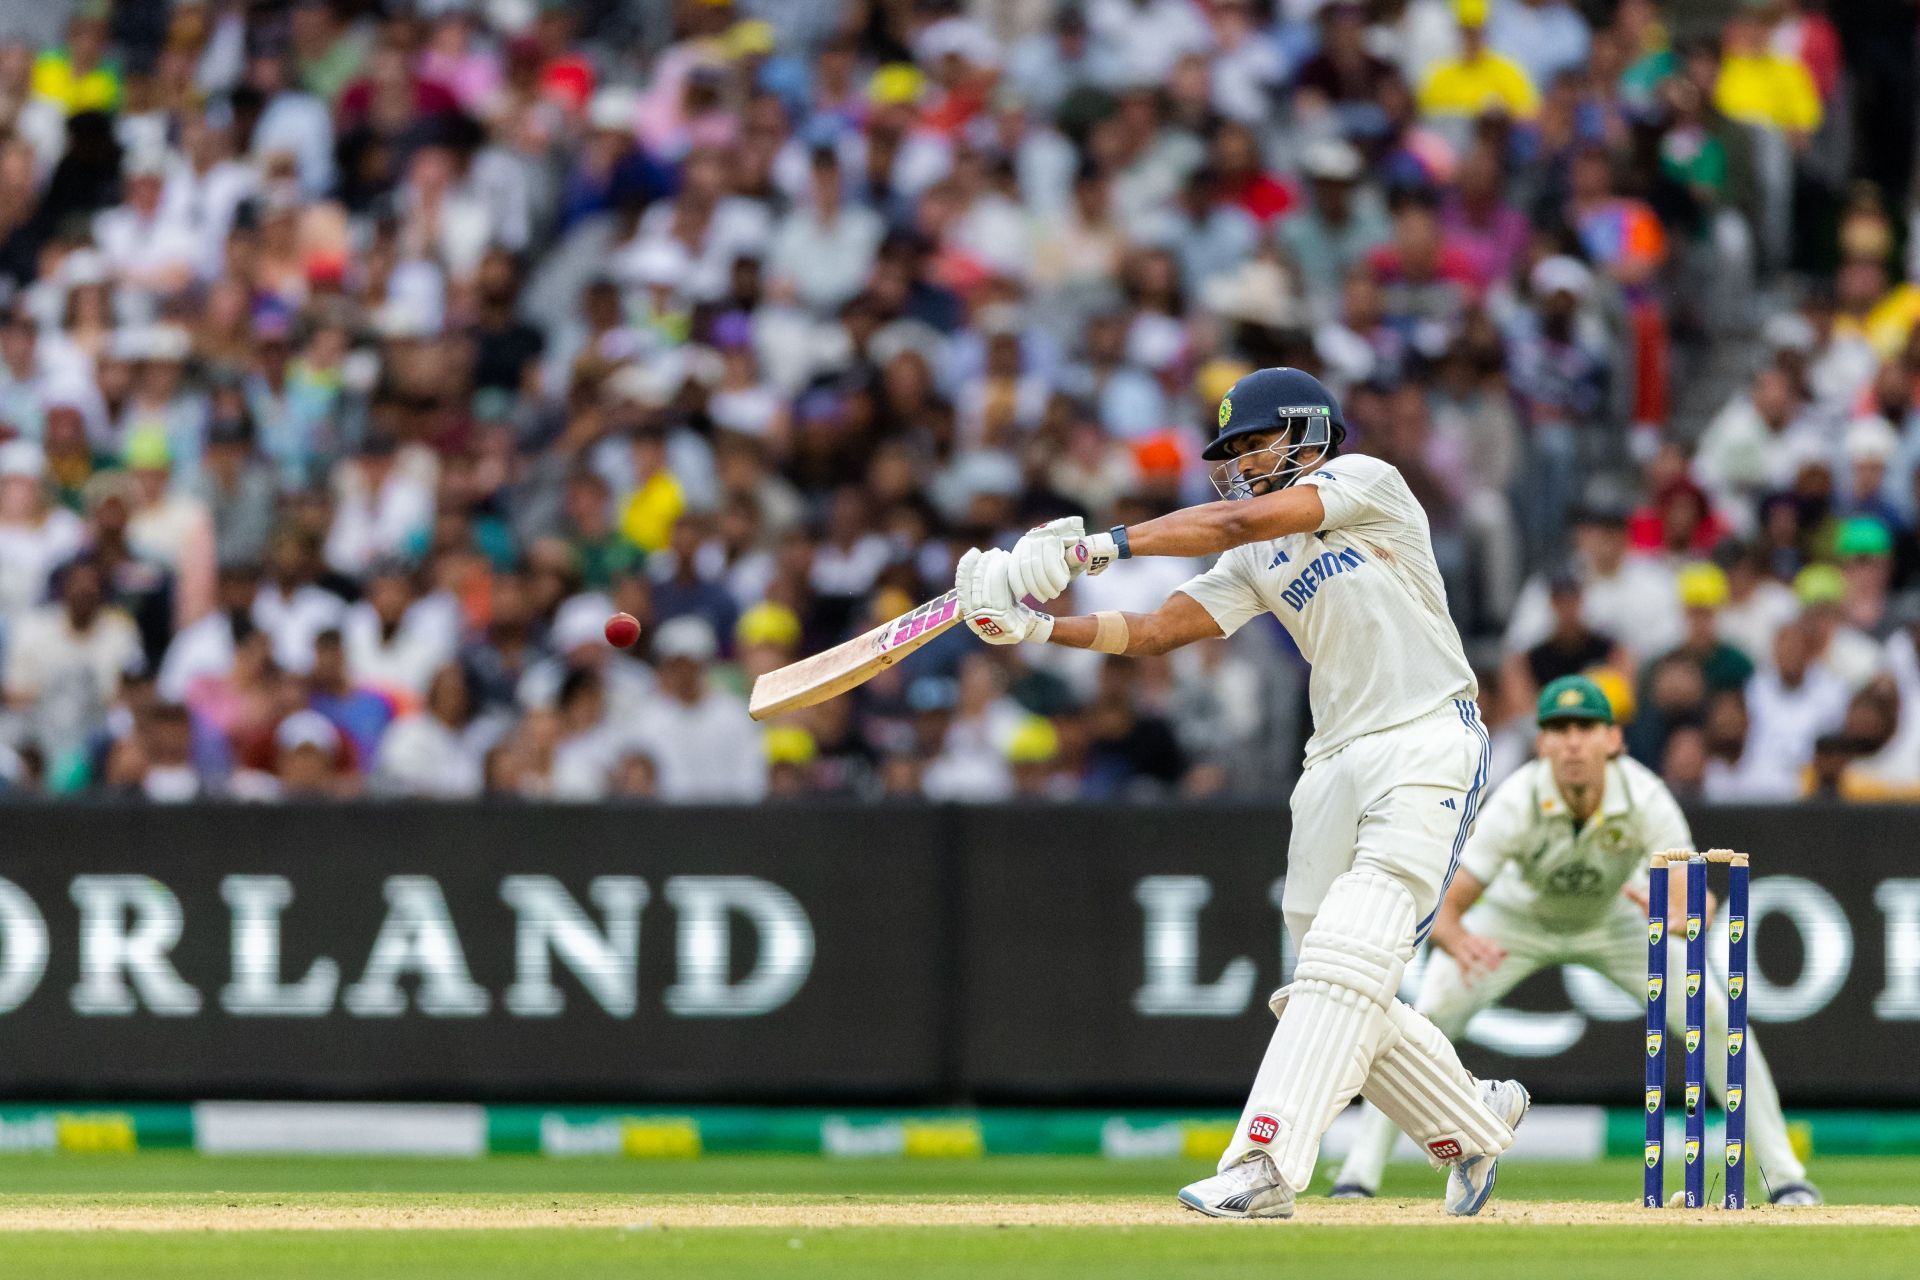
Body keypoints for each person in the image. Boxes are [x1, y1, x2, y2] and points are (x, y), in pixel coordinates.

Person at [953, 367, 1523, 1219]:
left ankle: (1264, 1164)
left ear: (1308, 433)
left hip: (1426, 736)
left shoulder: (1367, 483)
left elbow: (1236, 516)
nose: (1244, 464)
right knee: (1329, 982)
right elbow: (1155, 631)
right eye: (1232, 453)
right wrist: (1037, 629)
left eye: (1257, 444)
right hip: (1331, 762)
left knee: (1350, 958)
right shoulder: (1256, 556)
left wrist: (1087, 551)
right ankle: (1475, 1120)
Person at [1328, 675, 1820, 1206]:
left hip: (1620, 916)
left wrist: (1682, 916)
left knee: (1719, 1018)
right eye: (1558, 729)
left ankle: (1786, 1178)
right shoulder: (1518, 799)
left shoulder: (1643, 795)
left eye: (1585, 727)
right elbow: (1450, 903)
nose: (1572, 741)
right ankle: (1357, 1178)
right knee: (1425, 1016)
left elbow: (1694, 896)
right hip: (1519, 918)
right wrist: (1456, 939)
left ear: (1613, 739)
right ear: (1542, 744)